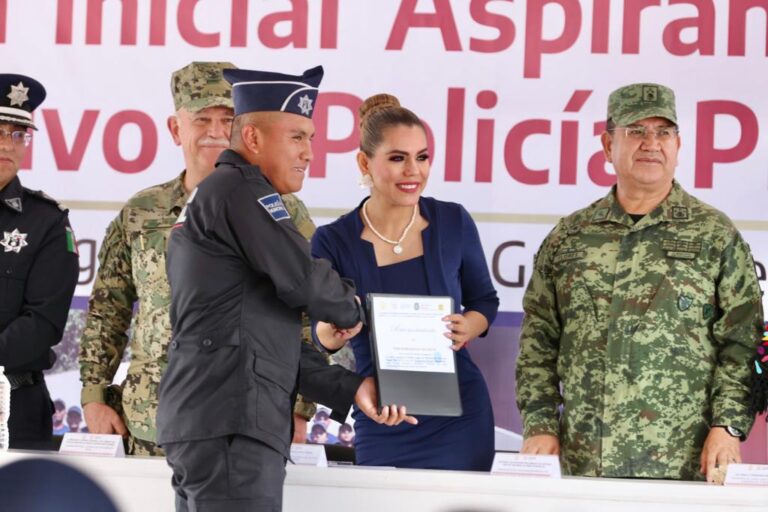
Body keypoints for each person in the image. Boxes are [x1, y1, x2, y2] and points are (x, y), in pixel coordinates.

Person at [156, 66, 416, 511]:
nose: (309, 153)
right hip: (231, 424)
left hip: (219, 420)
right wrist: (354, 310)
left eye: (310, 138)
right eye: (297, 137)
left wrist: (351, 388)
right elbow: (305, 279)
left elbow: (262, 341)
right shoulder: (241, 191)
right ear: (252, 138)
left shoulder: (225, 192)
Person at [515, 83, 764, 482]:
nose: (651, 143)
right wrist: (540, 424)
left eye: (663, 132)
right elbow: (538, 340)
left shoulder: (715, 235)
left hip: (683, 464)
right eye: (636, 131)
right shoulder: (570, 237)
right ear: (607, 144)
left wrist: (728, 425)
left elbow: (742, 342)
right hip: (585, 463)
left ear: (678, 145)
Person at [78, 61, 320, 456]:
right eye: (202, 119)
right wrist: (94, 394)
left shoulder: (283, 211)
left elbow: (309, 316)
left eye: (227, 120)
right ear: (177, 129)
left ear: (245, 130)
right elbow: (108, 309)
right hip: (149, 424)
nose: (215, 132)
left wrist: (300, 408)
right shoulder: (142, 212)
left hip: (244, 424)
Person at [311, 94, 499, 471]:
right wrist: (335, 331)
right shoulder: (332, 240)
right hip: (383, 416)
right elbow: (321, 336)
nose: (414, 171)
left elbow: (485, 301)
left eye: (422, 157)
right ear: (365, 163)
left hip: (461, 417)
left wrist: (468, 326)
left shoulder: (454, 221)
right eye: (398, 158)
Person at [0, 74, 79, 449]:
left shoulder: (46, 221)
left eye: (18, 134)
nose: (8, 144)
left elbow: (44, 322)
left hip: (15, 407)